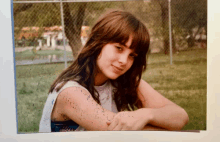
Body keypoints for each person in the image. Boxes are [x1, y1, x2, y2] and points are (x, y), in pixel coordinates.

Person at [39, 9, 189, 132]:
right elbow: (120, 133)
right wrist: (163, 123)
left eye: (132, 55)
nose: (124, 61)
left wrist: (146, 114)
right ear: (98, 42)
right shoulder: (71, 93)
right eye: (119, 48)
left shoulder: (125, 82)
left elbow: (180, 116)